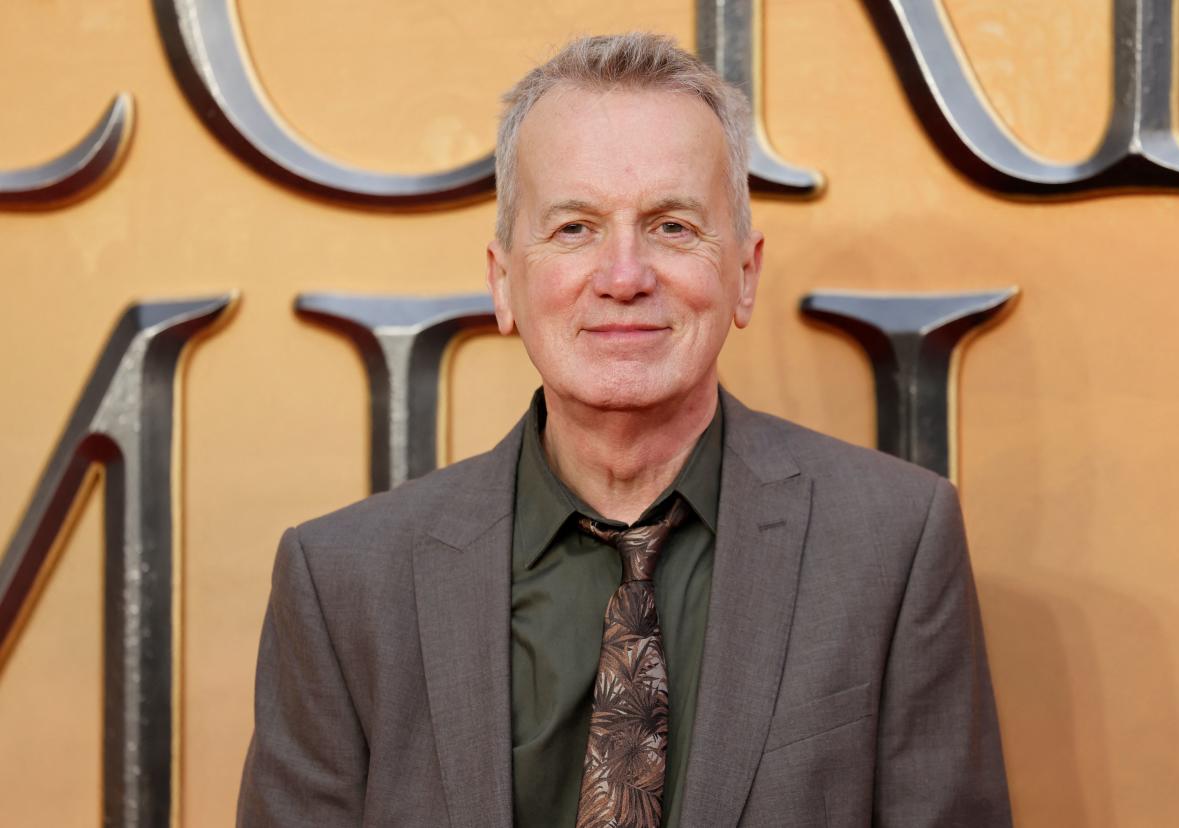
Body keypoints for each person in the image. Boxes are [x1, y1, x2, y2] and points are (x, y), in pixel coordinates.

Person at [236, 32, 1011, 828]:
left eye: (673, 226)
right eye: (574, 228)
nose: (624, 276)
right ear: (505, 283)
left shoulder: (895, 544)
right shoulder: (342, 585)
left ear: (744, 273)